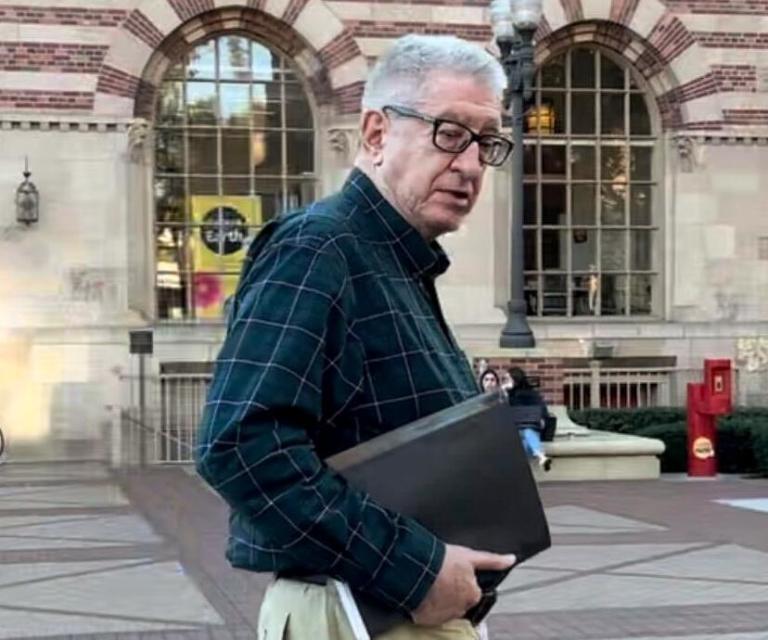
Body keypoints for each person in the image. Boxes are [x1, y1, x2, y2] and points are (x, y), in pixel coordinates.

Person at [195, 34, 517, 640]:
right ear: (375, 134)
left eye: (486, 143)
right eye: (449, 134)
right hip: (355, 612)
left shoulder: (394, 260)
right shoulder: (317, 248)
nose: (471, 165)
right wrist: (413, 570)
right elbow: (241, 445)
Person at [506, 367, 552, 472]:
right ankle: (541, 456)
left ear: (515, 379)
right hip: (514, 431)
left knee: (527, 435)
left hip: (531, 427)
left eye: (508, 379)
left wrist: (542, 419)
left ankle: (539, 457)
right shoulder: (506, 395)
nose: (506, 381)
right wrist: (506, 392)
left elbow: (542, 410)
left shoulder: (531, 394)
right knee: (526, 436)